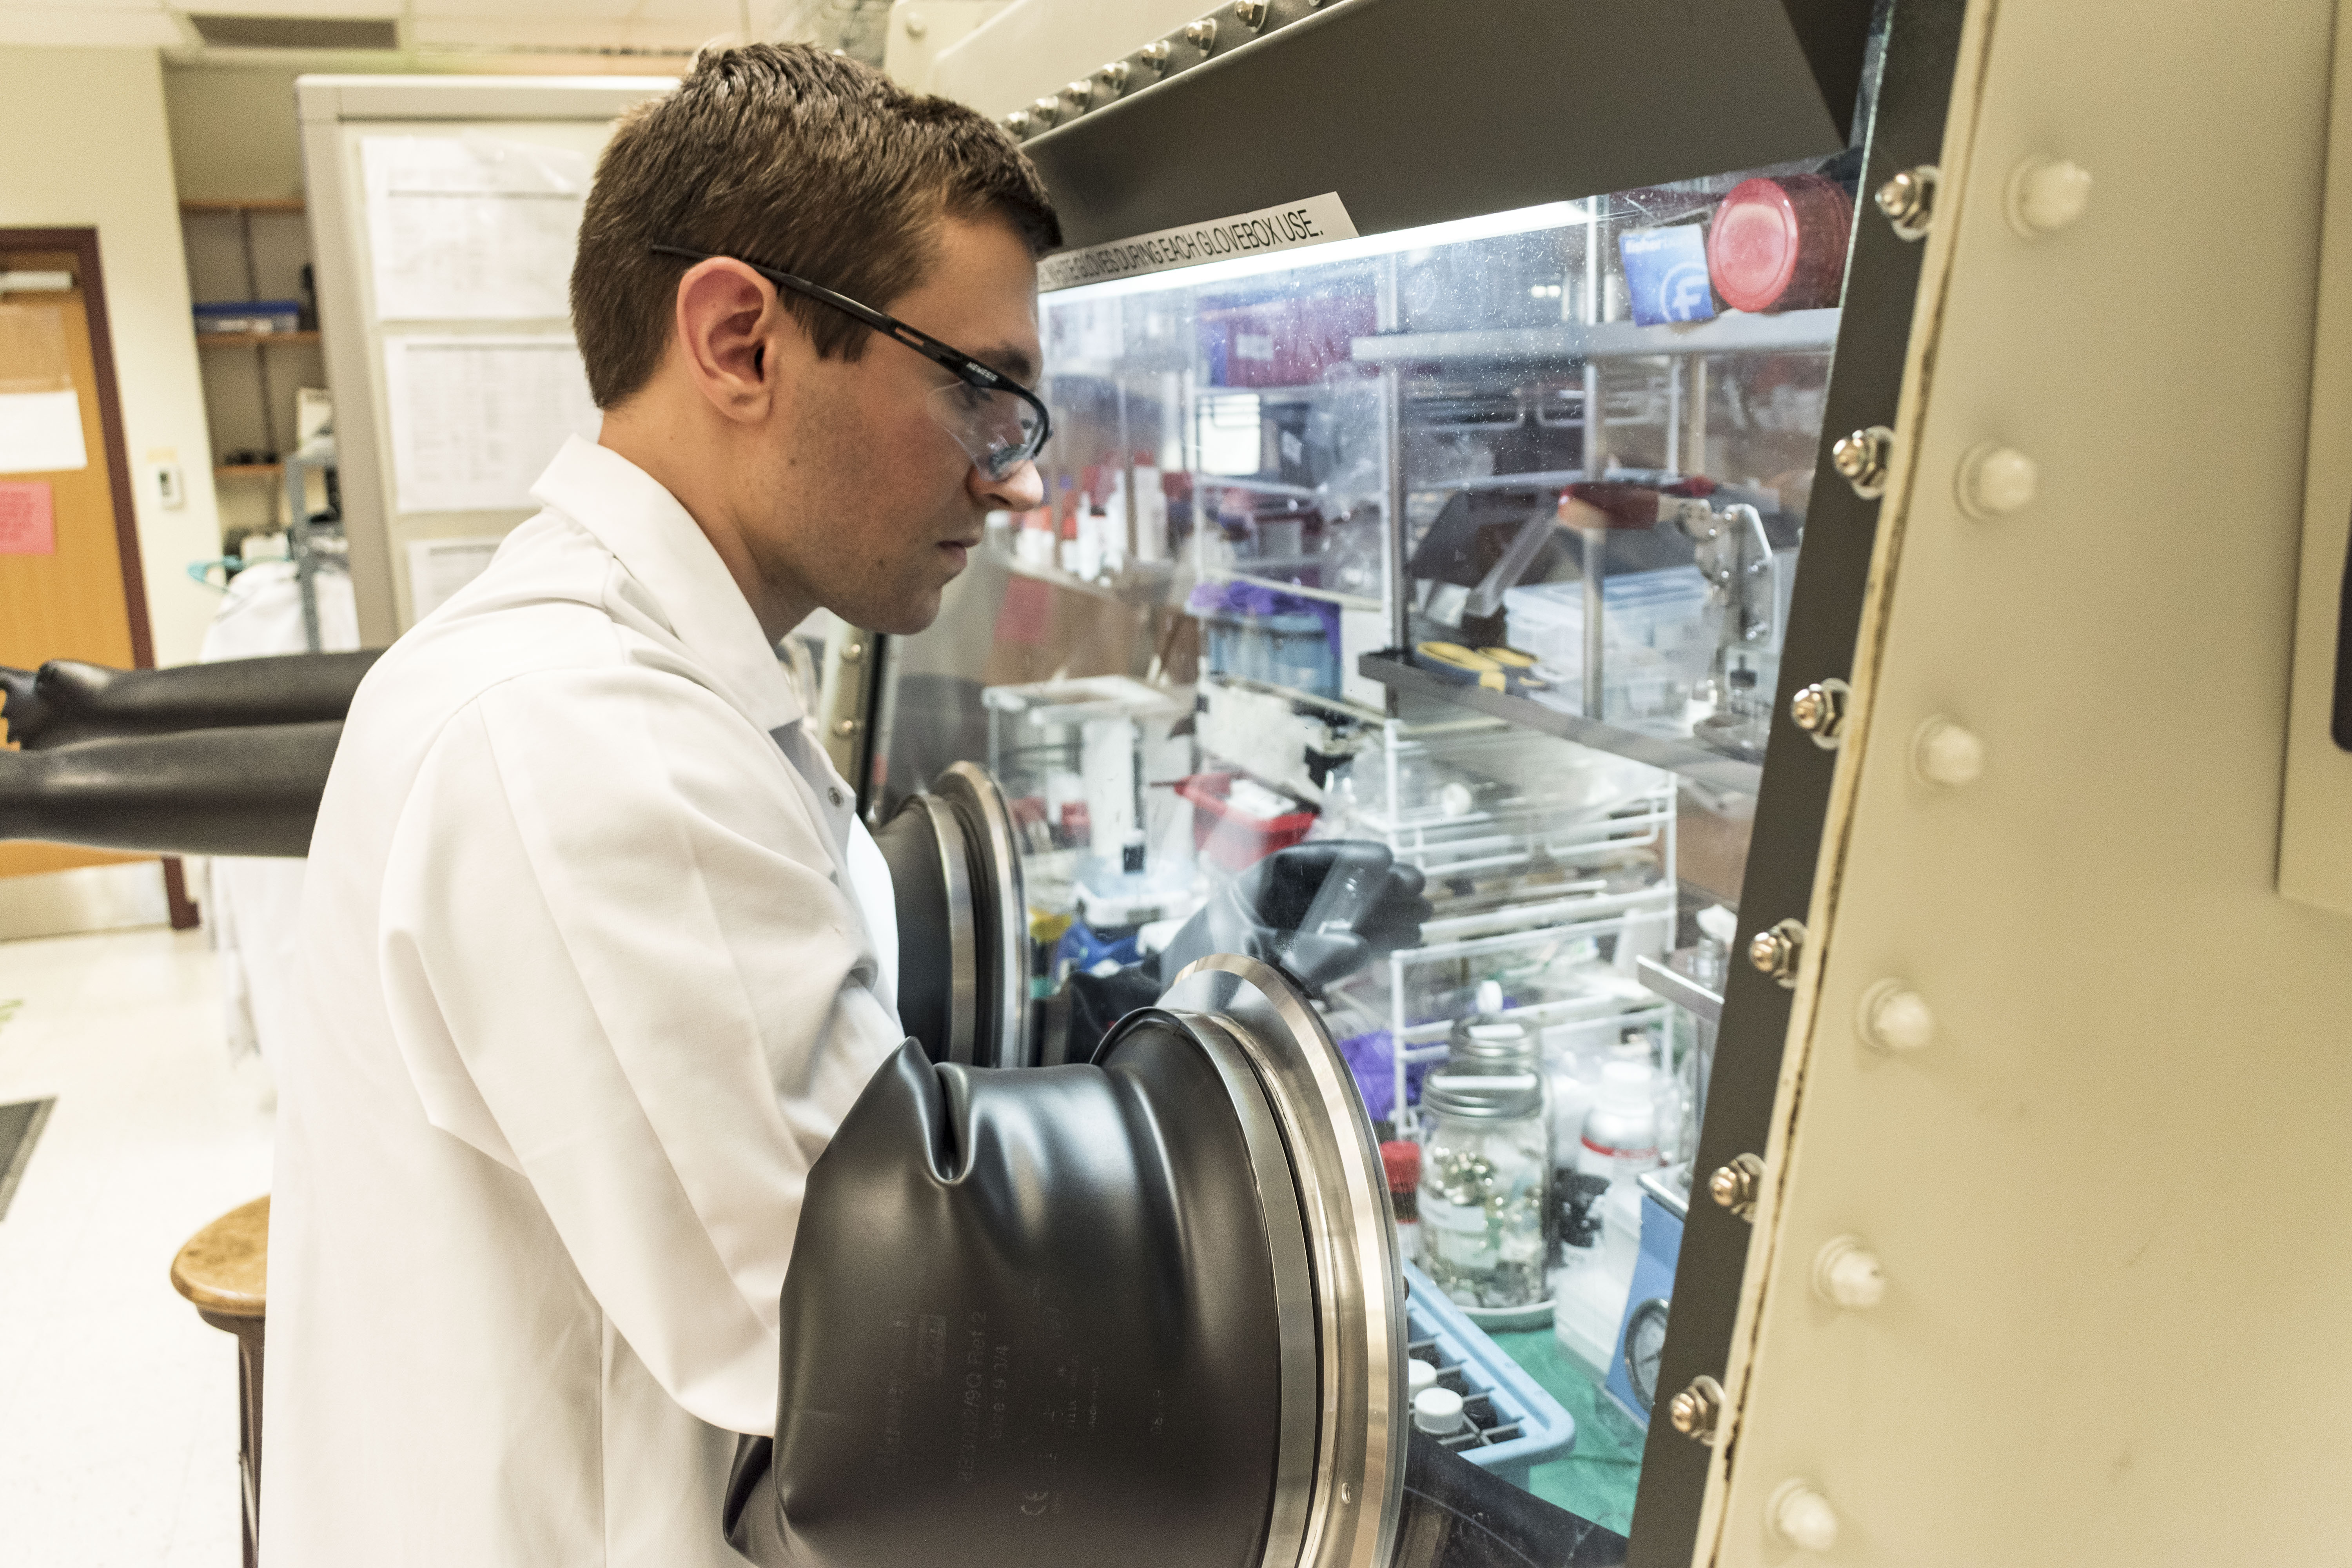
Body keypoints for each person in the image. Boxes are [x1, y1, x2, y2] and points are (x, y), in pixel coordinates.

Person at [260, 44, 1059, 1566]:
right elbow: (872, 1352)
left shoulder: (634, 674)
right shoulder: (588, 741)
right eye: (981, 387)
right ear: (742, 340)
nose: (1010, 475)